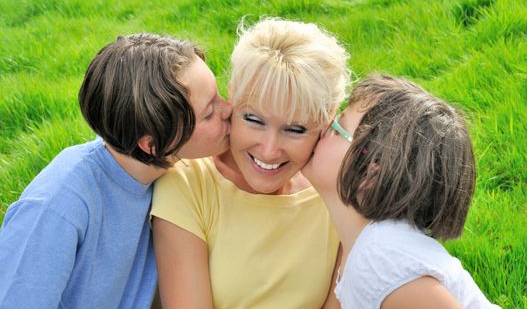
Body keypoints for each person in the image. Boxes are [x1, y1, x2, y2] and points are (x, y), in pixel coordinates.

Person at [0, 33, 232, 308]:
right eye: (209, 113)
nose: (229, 108)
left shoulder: (172, 173)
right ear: (153, 145)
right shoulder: (58, 206)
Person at [151, 18, 350, 308]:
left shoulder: (340, 193)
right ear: (231, 95)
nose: (269, 151)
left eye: (295, 130)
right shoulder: (188, 182)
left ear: (327, 121)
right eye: (254, 120)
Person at [302, 74, 500, 309]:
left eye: (338, 129)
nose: (324, 129)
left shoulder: (380, 260)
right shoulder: (364, 247)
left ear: (371, 171)